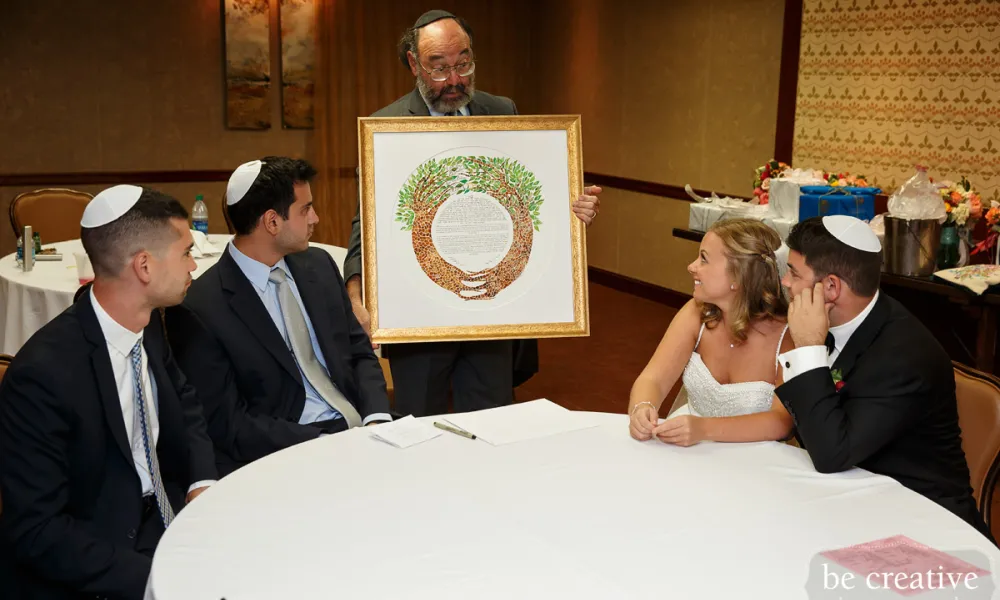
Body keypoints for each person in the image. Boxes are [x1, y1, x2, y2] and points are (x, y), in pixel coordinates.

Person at [342, 9, 602, 418]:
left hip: (492, 309)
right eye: (439, 68)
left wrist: (572, 209)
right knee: (418, 423)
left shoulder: (502, 110)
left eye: (463, 64)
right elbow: (366, 221)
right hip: (419, 310)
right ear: (414, 64)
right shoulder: (385, 126)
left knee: (491, 421)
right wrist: (356, 288)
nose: (454, 80)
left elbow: (529, 199)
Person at [0, 185, 217, 599]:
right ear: (144, 267)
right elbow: (37, 530)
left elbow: (183, 399)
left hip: (166, 519)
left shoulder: (149, 322)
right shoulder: (42, 375)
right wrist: (156, 576)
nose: (193, 265)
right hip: (97, 556)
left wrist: (201, 480)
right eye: (186, 252)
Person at [165, 157, 391, 477]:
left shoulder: (319, 264)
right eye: (305, 209)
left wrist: (377, 418)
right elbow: (229, 423)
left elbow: (358, 351)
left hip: (362, 428)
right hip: (285, 452)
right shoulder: (200, 308)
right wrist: (327, 441)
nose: (315, 217)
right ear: (272, 222)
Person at [775, 215, 991, 540]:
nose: (785, 283)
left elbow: (832, 454)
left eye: (794, 273)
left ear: (831, 287)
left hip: (925, 524)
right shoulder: (843, 323)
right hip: (858, 497)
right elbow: (808, 427)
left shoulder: (903, 355)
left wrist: (807, 349)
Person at [628, 218, 795, 446]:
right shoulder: (696, 313)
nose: (691, 266)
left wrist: (704, 429)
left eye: (704, 259)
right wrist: (642, 406)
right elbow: (653, 379)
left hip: (753, 460)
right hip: (688, 447)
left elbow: (781, 422)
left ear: (738, 276)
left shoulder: (787, 336)